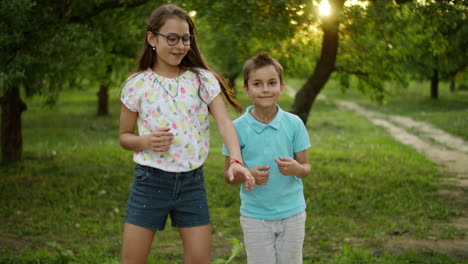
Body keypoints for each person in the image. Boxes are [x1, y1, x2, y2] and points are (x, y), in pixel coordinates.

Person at [119, 4, 254, 264]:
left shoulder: (202, 80)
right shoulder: (137, 85)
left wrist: (236, 159)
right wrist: (145, 141)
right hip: (150, 182)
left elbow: (225, 123)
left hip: (192, 184)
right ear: (152, 39)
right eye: (171, 38)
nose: (180, 45)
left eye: (185, 38)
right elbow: (124, 137)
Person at [222, 51, 311, 264]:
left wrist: (297, 169)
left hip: (293, 214)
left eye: (272, 83)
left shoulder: (294, 123)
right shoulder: (235, 129)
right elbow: (229, 176)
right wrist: (247, 175)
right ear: (247, 89)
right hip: (255, 216)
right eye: (257, 84)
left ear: (281, 86)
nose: (265, 89)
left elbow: (306, 167)